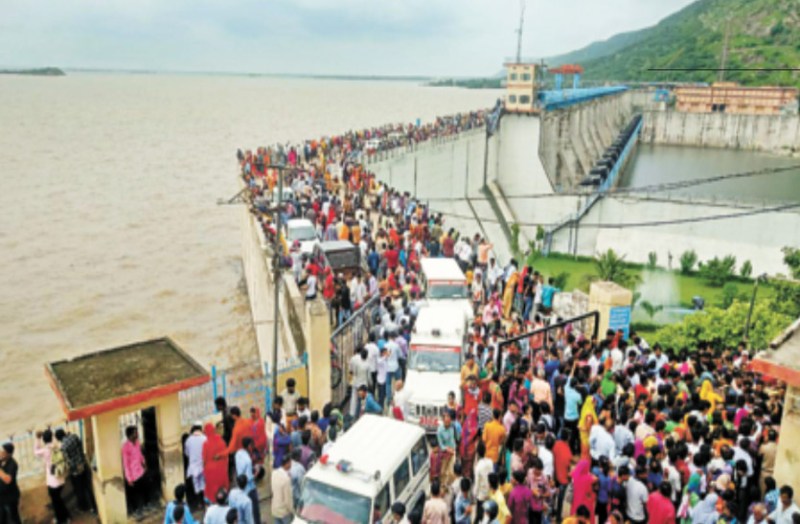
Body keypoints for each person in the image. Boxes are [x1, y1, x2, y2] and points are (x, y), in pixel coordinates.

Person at [56, 427, 96, 513]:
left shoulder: (63, 446)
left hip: (75, 471)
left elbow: (68, 461)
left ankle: (84, 507)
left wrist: (74, 467)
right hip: (83, 464)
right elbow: (81, 448)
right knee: (87, 487)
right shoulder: (74, 437)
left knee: (79, 490)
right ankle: (93, 507)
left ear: (59, 438)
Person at [121, 425, 147, 519]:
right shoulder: (125, 447)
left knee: (141, 492)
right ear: (130, 435)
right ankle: (137, 512)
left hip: (140, 472)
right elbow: (126, 464)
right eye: (135, 432)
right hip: (133, 475)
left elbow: (140, 455)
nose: (137, 434)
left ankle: (141, 509)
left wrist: (144, 463)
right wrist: (129, 478)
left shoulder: (137, 443)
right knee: (136, 495)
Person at [234, 438, 261, 524]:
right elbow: (249, 477)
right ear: (249, 446)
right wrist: (256, 473)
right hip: (250, 488)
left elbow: (242, 469)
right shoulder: (248, 460)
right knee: (255, 509)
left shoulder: (238, 454)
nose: (253, 447)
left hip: (241, 485)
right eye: (252, 445)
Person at [203, 423, 230, 504]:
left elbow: (204, 459)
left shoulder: (206, 444)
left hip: (210, 471)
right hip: (221, 468)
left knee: (212, 489)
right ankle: (224, 499)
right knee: (222, 485)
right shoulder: (221, 441)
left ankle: (213, 502)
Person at [184, 424, 207, 508]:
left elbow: (186, 453)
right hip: (203, 465)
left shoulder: (188, 440)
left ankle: (199, 502)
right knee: (203, 484)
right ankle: (205, 501)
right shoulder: (204, 438)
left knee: (196, 485)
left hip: (193, 466)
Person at [0, 442, 20, 524]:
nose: (1, 452)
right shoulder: (2, 461)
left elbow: (7, 479)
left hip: (10, 497)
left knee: (14, 518)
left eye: (3, 452)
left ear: (8, 454)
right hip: (2, 498)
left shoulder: (13, 464)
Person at [271, 456, 294, 524]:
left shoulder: (274, 473)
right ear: (287, 463)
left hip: (275, 509)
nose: (291, 464)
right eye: (290, 462)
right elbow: (288, 500)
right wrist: (292, 511)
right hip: (284, 512)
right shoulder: (286, 479)